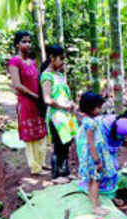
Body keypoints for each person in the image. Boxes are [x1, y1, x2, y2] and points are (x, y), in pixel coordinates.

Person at [8, 31, 48, 175]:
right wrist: (35, 96)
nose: (27, 44)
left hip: (37, 102)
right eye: (24, 41)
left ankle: (42, 162)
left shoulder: (32, 62)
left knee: (41, 132)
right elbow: (17, 85)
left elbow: (37, 81)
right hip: (26, 102)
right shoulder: (14, 62)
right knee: (30, 136)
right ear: (17, 44)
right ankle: (35, 167)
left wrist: (43, 97)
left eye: (29, 41)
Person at [40, 45, 78, 182]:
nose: (63, 62)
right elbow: (47, 98)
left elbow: (65, 94)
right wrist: (64, 106)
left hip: (66, 115)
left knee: (67, 143)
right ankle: (57, 175)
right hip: (56, 116)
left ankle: (65, 172)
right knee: (58, 144)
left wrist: (71, 103)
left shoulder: (60, 75)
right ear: (52, 58)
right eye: (61, 58)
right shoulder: (46, 76)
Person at [77, 92, 117, 216]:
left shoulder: (87, 119)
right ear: (91, 108)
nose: (100, 109)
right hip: (93, 156)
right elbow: (91, 143)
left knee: (92, 179)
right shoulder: (91, 123)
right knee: (96, 180)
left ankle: (93, 199)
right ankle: (95, 207)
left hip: (91, 155)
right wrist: (97, 160)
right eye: (98, 107)